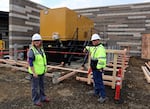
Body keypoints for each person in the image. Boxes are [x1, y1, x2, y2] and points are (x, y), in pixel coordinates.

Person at [83, 33, 107, 103]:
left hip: (98, 68)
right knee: (95, 80)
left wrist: (99, 68)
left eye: (95, 40)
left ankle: (103, 96)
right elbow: (89, 48)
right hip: (94, 67)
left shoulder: (101, 49)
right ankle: (96, 91)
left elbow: (102, 60)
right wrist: (85, 48)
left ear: (98, 40)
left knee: (99, 81)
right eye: (93, 41)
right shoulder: (94, 47)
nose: (94, 42)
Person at [28, 33, 49, 107]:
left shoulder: (41, 49)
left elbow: (43, 60)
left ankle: (43, 97)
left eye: (38, 40)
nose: (37, 42)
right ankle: (36, 100)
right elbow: (30, 63)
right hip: (35, 73)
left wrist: (45, 69)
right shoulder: (32, 50)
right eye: (35, 41)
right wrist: (34, 73)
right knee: (35, 88)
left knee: (42, 86)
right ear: (33, 42)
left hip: (41, 72)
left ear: (40, 41)